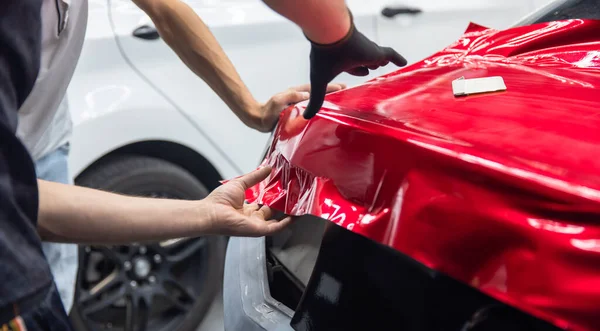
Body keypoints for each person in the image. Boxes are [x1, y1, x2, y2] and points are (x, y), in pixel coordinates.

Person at [1, 0, 405, 330]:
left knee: (56, 281)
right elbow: (20, 203)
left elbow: (163, 6)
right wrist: (201, 215)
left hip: (43, 137)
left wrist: (252, 107)